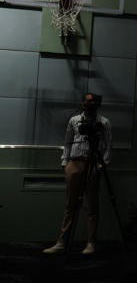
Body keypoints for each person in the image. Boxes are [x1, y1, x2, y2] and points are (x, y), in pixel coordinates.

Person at [43, 93, 112, 255]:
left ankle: (90, 243)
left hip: (93, 163)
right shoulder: (74, 120)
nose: (91, 103)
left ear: (99, 104)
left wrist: (102, 165)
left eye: (94, 101)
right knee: (70, 205)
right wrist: (65, 162)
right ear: (83, 103)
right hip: (74, 163)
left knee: (93, 205)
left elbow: (108, 145)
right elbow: (67, 142)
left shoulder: (104, 123)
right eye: (88, 101)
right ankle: (62, 241)